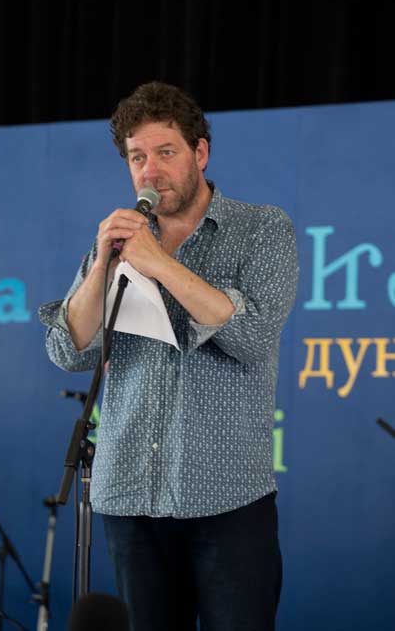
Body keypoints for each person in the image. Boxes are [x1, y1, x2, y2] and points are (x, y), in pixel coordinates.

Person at [39, 81, 298, 631]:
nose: (150, 171)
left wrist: (158, 263)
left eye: (165, 152)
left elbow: (250, 338)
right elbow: (67, 348)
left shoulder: (262, 229)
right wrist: (103, 267)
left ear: (199, 153)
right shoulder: (117, 240)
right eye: (137, 157)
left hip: (228, 495)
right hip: (130, 493)